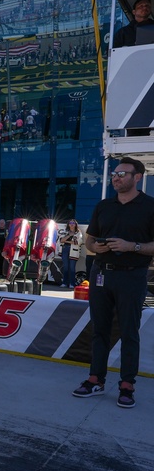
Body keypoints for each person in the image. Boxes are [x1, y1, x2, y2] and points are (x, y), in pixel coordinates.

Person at [73, 157, 154, 408]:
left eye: (121, 173)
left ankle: (127, 385)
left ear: (137, 177)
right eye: (114, 174)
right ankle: (95, 379)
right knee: (99, 330)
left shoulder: (150, 207)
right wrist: (94, 246)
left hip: (132, 275)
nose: (115, 177)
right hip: (100, 274)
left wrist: (133, 246)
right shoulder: (104, 205)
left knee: (129, 332)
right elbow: (89, 240)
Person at [59, 219, 82, 288]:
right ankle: (64, 283)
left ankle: (72, 283)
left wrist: (66, 241)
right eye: (70, 223)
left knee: (72, 268)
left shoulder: (78, 233)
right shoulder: (65, 232)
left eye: (73, 223)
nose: (72, 224)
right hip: (65, 249)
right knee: (65, 267)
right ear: (68, 224)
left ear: (76, 225)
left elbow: (77, 242)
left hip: (74, 251)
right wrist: (69, 235)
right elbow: (61, 240)